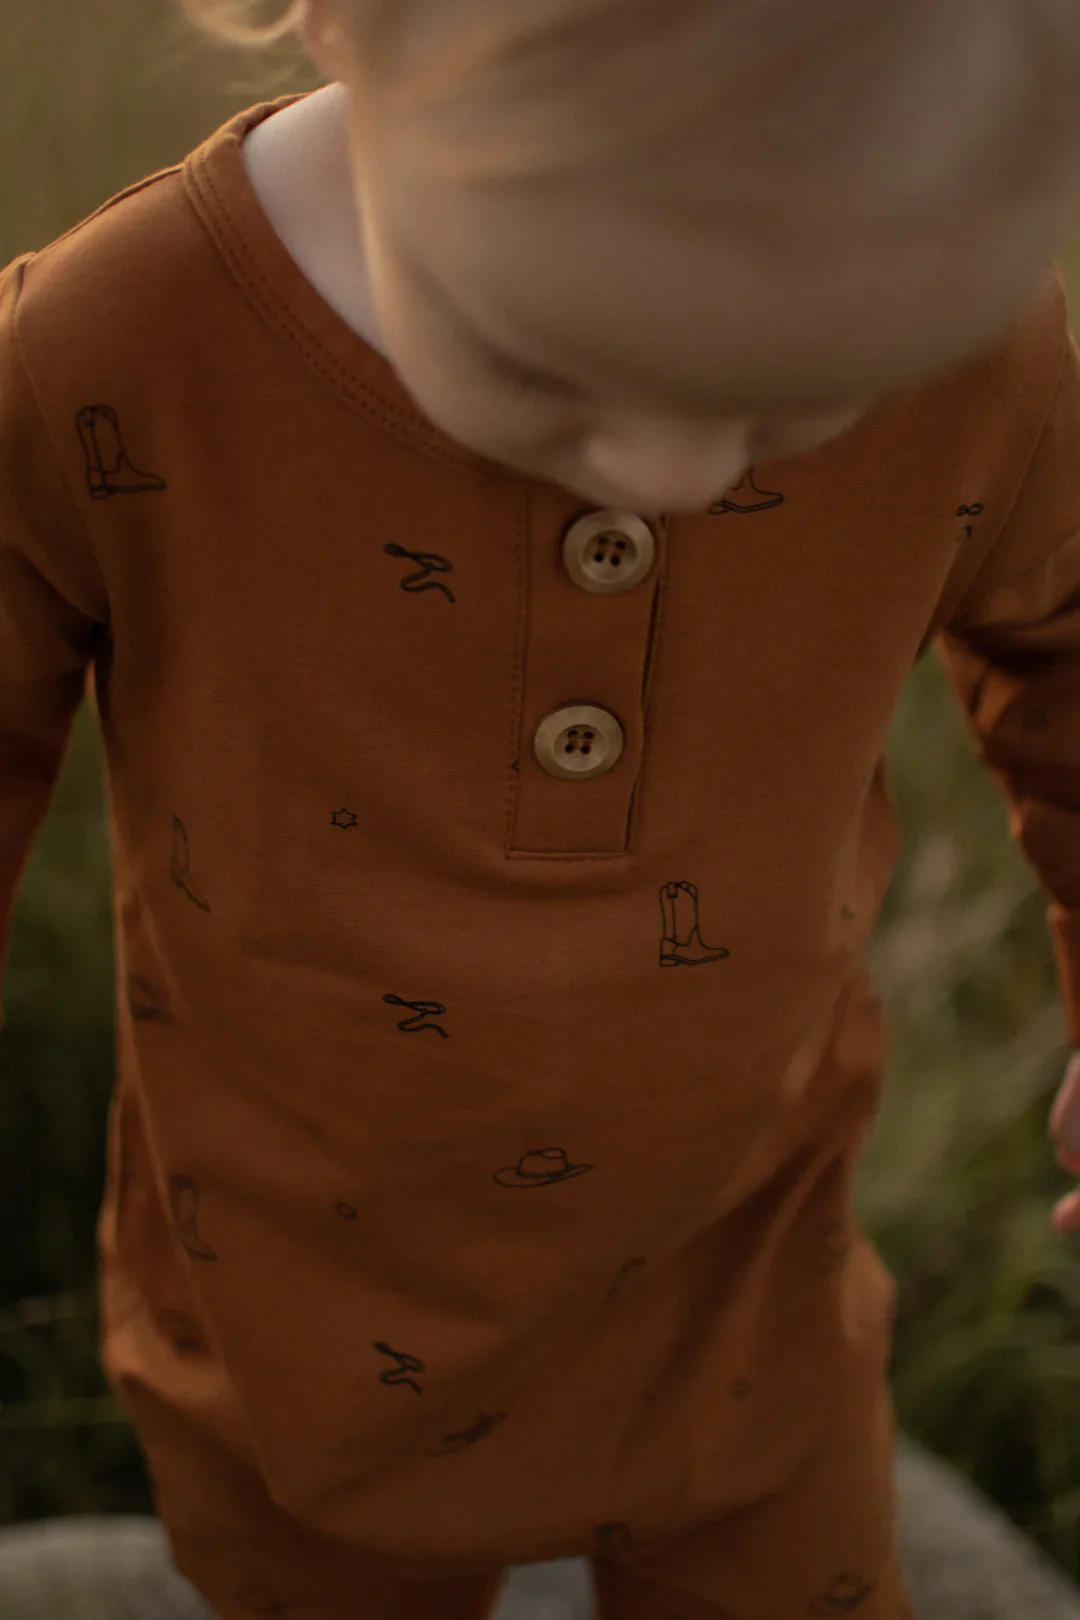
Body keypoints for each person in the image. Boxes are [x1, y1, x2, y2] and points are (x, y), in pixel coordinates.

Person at [6, 0, 1080, 1615]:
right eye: (547, 362)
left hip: (745, 1295)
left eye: (797, 404)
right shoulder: (121, 353)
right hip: (297, 1321)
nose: (675, 473)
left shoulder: (950, 328)